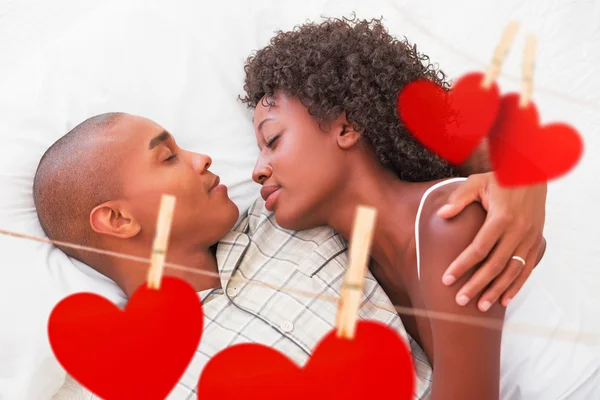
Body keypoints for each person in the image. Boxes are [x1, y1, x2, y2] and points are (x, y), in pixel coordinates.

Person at [37, 112, 548, 400]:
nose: (201, 158)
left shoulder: (286, 215)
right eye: (168, 157)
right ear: (119, 221)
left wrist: (521, 180)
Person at [242, 16, 600, 399]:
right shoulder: (364, 271)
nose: (257, 170)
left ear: (346, 128)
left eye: (273, 139)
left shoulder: (448, 219)